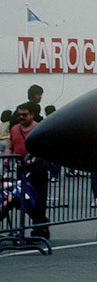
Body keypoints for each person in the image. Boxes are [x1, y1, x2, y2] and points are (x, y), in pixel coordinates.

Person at [9, 103, 49, 240]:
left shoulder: (39, 128)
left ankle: (40, 227)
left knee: (38, 199)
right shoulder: (14, 129)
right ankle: (40, 223)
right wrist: (7, 158)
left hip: (38, 169)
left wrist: (33, 159)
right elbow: (10, 145)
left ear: (32, 115)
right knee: (21, 199)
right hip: (22, 169)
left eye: (24, 115)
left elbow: (44, 148)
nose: (21, 117)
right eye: (19, 114)